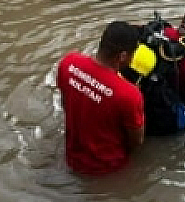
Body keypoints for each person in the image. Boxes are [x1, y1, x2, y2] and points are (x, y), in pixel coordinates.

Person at [57, 20, 145, 175]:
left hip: (71, 158)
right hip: (108, 169)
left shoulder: (68, 63)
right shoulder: (129, 94)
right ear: (123, 56)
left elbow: (66, 105)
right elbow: (136, 142)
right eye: (133, 54)